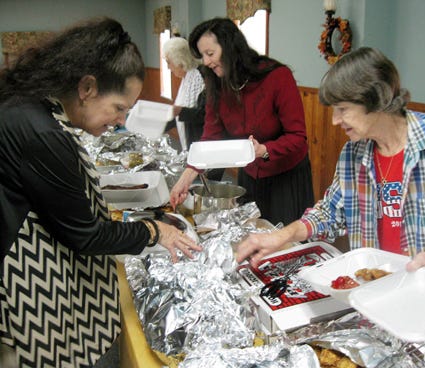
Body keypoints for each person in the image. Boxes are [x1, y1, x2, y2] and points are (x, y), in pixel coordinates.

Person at [236, 47, 425, 365]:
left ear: (378, 100)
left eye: (342, 109)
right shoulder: (354, 153)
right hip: (384, 306)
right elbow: (330, 211)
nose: (334, 120)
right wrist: (281, 236)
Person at [0, 17, 201, 368]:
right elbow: (87, 235)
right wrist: (156, 230)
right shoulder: (43, 133)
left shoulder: (32, 106)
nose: (121, 120)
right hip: (29, 283)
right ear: (87, 88)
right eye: (119, 107)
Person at [169, 17, 314, 226]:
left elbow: (298, 137)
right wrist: (186, 178)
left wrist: (263, 150)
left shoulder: (277, 76)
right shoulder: (216, 84)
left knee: (284, 244)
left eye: (210, 54)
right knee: (252, 236)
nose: (207, 62)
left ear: (230, 48)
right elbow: (210, 137)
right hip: (249, 175)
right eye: (203, 56)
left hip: (286, 177)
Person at [162, 36, 223, 181]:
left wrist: (179, 111)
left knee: (206, 188)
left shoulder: (201, 76)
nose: (168, 67)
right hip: (195, 144)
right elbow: (179, 115)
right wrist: (156, 127)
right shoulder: (187, 78)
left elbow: (205, 114)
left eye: (169, 62)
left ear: (179, 61)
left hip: (207, 144)